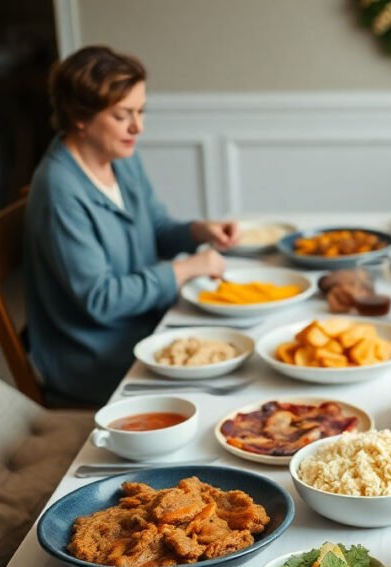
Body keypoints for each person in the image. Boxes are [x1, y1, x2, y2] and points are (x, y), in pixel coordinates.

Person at [24, 46, 239, 405]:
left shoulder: (120, 157)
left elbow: (154, 227)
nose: (138, 127)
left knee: (241, 357)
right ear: (80, 116)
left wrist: (197, 231)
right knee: (230, 383)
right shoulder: (59, 191)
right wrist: (183, 269)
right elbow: (100, 299)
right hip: (96, 360)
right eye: (123, 115)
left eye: (140, 112)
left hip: (144, 327)